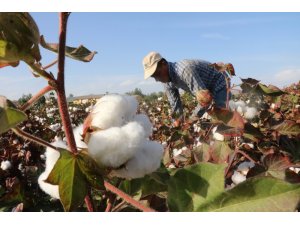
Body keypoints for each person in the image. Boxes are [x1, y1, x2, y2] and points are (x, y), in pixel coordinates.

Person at [142, 51, 230, 126]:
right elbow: (175, 104)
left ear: (164, 64)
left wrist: (190, 121)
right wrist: (178, 121)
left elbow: (205, 100)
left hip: (220, 82)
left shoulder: (185, 71)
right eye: (154, 77)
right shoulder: (166, 81)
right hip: (206, 87)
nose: (157, 79)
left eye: (157, 74)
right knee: (212, 120)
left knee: (222, 119)